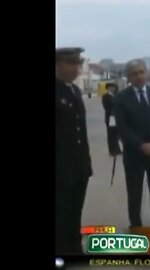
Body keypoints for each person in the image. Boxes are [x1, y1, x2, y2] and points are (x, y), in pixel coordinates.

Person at [114, 59, 150, 227]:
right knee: (135, 192)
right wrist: (140, 145)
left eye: (141, 72)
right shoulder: (121, 98)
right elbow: (122, 128)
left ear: (146, 73)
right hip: (134, 154)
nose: (138, 76)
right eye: (134, 74)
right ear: (128, 77)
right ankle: (136, 225)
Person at [56, 47, 93, 254]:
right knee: (61, 213)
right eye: (70, 63)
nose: (76, 68)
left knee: (74, 211)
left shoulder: (74, 90)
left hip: (78, 168)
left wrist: (85, 164)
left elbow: (80, 132)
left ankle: (73, 247)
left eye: (78, 63)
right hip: (60, 168)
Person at [102, 83, 122, 156]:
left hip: (117, 117)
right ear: (108, 88)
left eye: (114, 87)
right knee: (111, 135)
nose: (113, 88)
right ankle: (112, 151)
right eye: (111, 87)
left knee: (116, 134)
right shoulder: (106, 96)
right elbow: (107, 107)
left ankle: (117, 149)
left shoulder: (115, 95)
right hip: (111, 118)